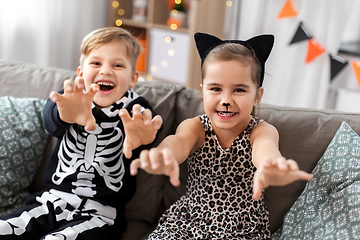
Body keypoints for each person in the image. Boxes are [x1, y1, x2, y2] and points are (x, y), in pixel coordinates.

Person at [130, 32, 313, 239]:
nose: (226, 100)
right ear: (203, 92)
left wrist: (271, 164)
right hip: (188, 223)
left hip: (243, 231)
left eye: (239, 90)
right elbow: (179, 142)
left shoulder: (260, 130)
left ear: (257, 96)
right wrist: (164, 154)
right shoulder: (196, 127)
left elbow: (266, 149)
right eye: (215, 88)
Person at [0, 27, 162, 239]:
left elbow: (146, 133)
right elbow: (51, 121)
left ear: (133, 78)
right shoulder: (71, 99)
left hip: (102, 215)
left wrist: (145, 138)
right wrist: (63, 114)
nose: (105, 71)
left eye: (118, 65)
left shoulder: (135, 109)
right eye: (96, 63)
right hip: (51, 201)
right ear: (81, 73)